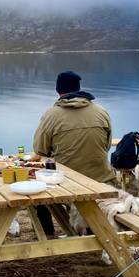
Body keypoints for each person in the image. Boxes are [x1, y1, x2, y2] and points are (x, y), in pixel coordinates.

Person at [33, 71, 116, 234]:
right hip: (102, 179)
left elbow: (40, 149)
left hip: (66, 183)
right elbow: (106, 145)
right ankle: (92, 229)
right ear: (79, 88)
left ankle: (48, 235)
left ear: (58, 91)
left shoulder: (51, 115)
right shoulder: (101, 111)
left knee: (38, 192)